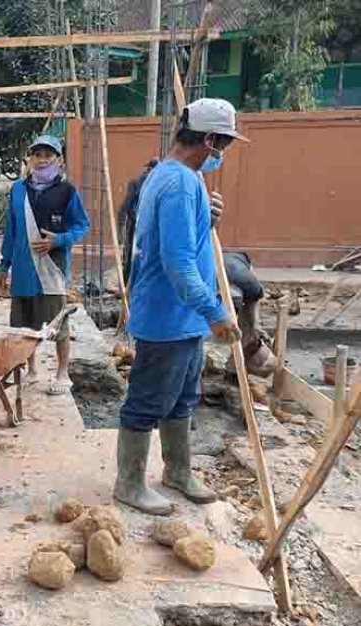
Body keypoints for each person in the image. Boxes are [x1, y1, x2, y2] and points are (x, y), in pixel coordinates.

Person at [115, 98, 245, 516]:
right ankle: (129, 483)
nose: (220, 155)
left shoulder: (175, 178)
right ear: (208, 138)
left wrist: (207, 220)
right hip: (168, 319)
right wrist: (216, 312)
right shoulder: (178, 183)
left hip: (183, 319)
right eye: (221, 145)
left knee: (182, 399)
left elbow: (182, 241)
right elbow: (176, 262)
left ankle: (177, 471)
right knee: (147, 401)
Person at [0, 134, 90, 395]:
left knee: (58, 323)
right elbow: (11, 231)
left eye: (49, 154)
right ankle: (31, 370)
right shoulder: (18, 190)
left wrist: (59, 240)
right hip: (24, 270)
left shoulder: (67, 191)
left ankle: (62, 373)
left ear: (58, 159)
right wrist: (4, 266)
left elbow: (82, 225)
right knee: (24, 324)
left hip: (52, 268)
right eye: (38, 154)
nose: (43, 159)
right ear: (31, 158)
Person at [224, 251, 277, 377]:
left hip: (239, 261)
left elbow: (255, 300)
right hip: (218, 263)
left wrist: (256, 324)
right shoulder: (207, 284)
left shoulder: (251, 285)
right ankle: (237, 364)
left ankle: (238, 363)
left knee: (248, 325)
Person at [118, 158, 160, 284]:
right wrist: (120, 230)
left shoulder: (159, 184)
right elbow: (124, 207)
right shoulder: (137, 183)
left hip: (150, 226)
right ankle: (128, 284)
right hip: (135, 225)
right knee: (132, 256)